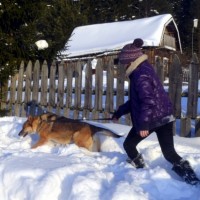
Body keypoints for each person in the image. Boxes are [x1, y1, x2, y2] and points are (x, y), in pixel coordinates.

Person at [112, 38, 200, 185]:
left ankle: (141, 168)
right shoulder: (144, 69)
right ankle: (192, 179)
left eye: (124, 62)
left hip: (151, 119)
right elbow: (137, 100)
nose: (124, 66)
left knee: (128, 145)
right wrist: (119, 112)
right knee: (169, 153)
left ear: (131, 61)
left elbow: (148, 102)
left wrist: (144, 125)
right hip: (164, 117)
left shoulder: (140, 76)